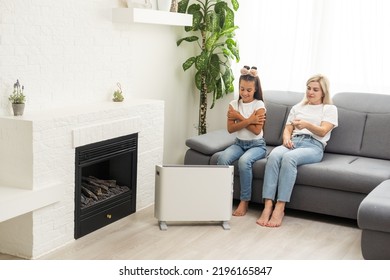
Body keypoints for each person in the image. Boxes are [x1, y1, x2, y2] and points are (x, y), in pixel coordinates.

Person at [256, 74, 338, 227]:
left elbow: (323, 131)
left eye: (315, 89)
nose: (310, 92)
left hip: (313, 146)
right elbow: (288, 129)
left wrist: (306, 124)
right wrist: (286, 139)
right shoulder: (297, 107)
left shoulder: (329, 108)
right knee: (273, 156)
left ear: (323, 92)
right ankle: (267, 206)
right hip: (294, 142)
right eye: (308, 88)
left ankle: (280, 208)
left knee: (289, 159)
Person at [217, 65, 267, 216]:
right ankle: (221, 197)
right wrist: (249, 119)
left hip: (257, 145)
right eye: (242, 89)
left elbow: (257, 130)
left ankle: (244, 201)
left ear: (255, 90)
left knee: (244, 162)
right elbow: (231, 129)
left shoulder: (259, 105)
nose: (245, 93)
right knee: (222, 159)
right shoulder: (233, 104)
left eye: (249, 90)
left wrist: (238, 117)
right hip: (238, 143)